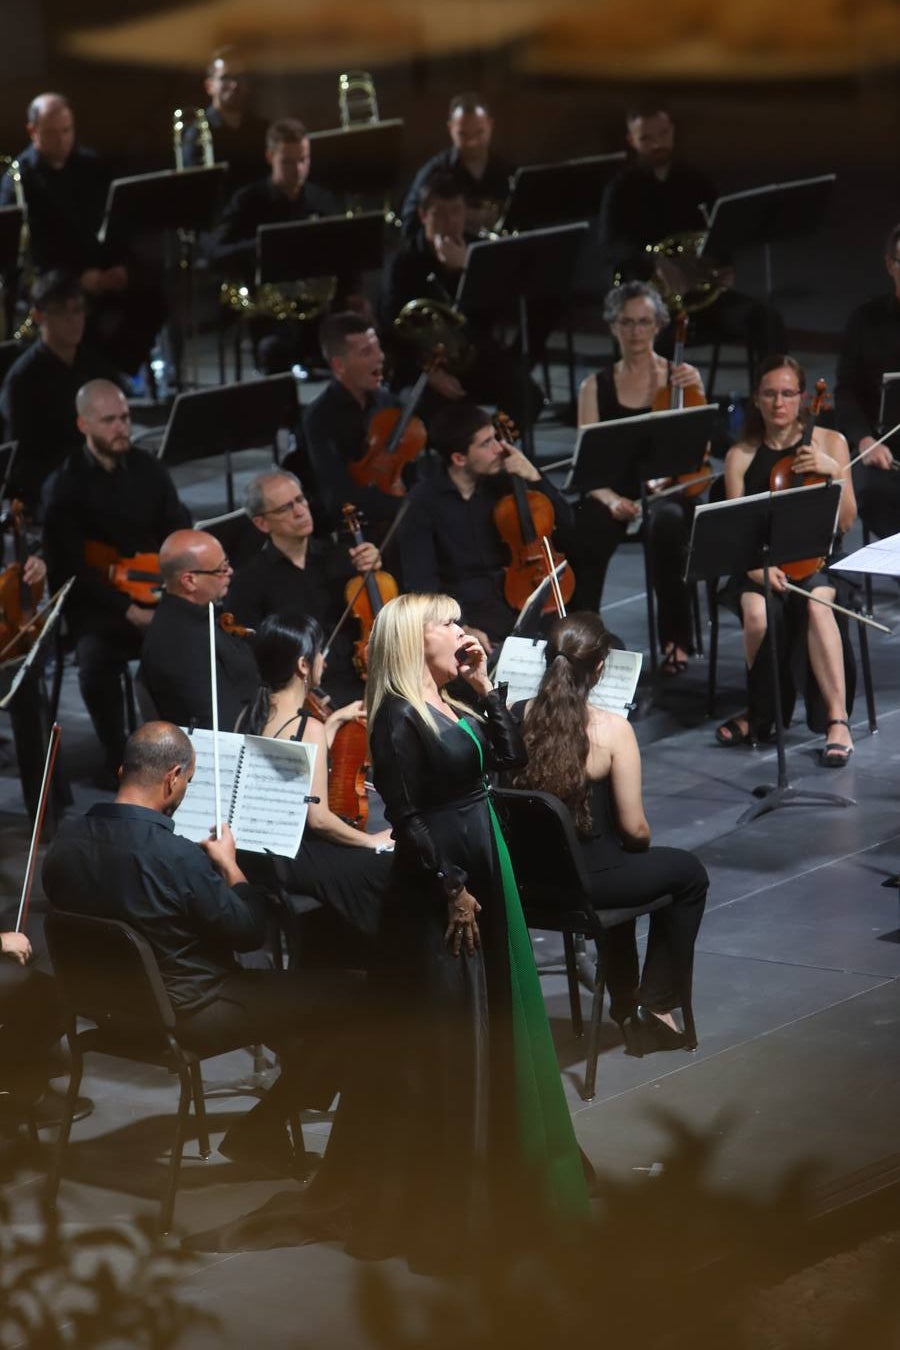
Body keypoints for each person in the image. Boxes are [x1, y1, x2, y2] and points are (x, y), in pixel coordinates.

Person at [319, 593, 588, 1266]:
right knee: (456, 1030)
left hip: (481, 858)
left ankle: (506, 1161)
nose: (460, 630)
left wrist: (482, 687)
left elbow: (508, 755)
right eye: (446, 622)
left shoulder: (450, 702)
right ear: (415, 641)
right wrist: (452, 888)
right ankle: (458, 1196)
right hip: (443, 881)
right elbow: (405, 817)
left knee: (492, 1005)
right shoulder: (396, 717)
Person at [42, 721, 363, 1170]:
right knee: (358, 995)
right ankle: (262, 1128)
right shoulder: (175, 857)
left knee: (298, 1018)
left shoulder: (64, 844)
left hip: (106, 1012)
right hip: (189, 1012)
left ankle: (279, 1109)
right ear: (174, 778)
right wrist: (230, 868)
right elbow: (249, 931)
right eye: (189, 782)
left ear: (122, 770)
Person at [512, 611, 707, 1052]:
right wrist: (638, 845)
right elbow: (635, 829)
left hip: (530, 885)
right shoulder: (612, 730)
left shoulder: (514, 717)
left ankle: (624, 1003)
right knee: (688, 873)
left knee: (621, 864)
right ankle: (655, 1003)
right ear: (599, 667)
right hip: (591, 886)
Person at [41, 380, 190, 779]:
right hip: (101, 605)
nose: (121, 427)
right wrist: (127, 610)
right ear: (83, 424)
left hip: (155, 591)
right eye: (109, 420)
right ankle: (119, 759)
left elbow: (178, 528)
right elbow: (69, 568)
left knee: (194, 636)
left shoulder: (148, 469)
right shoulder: (64, 486)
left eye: (124, 417)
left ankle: (183, 748)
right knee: (94, 661)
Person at [716, 355, 857, 765]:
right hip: (759, 561)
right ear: (756, 399)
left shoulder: (830, 443)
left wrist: (834, 472)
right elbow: (736, 530)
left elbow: (846, 521)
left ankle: (837, 720)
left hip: (820, 559)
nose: (780, 402)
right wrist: (755, 568)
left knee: (817, 604)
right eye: (770, 394)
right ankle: (766, 714)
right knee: (757, 610)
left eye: (788, 393)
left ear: (802, 397)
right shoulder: (740, 456)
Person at [240, 614, 392, 962]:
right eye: (320, 654)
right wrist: (373, 842)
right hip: (293, 858)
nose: (327, 660)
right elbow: (319, 820)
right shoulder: (305, 727)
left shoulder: (249, 714)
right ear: (303, 665)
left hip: (259, 852)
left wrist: (334, 721)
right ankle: (375, 962)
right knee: (386, 864)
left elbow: (292, 764)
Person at [571, 281, 704, 673]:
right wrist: (612, 500)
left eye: (644, 322)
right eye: (626, 322)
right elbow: (586, 467)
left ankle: (675, 639)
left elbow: (697, 451)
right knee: (585, 529)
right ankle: (583, 643)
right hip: (613, 491)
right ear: (613, 327)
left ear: (658, 326)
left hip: (667, 487)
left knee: (668, 525)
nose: (635, 332)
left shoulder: (680, 378)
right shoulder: (594, 386)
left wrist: (696, 390)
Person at [598, 103, 785, 365]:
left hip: (701, 299)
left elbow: (718, 235)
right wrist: (657, 262)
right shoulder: (620, 189)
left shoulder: (695, 182)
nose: (657, 144)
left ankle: (766, 401)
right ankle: (651, 405)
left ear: (673, 131)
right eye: (646, 138)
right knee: (648, 342)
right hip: (651, 306)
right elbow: (610, 247)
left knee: (766, 320)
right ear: (631, 141)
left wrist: (724, 266)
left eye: (663, 134)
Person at [0, 94, 165, 376]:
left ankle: (114, 374)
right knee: (73, 311)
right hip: (55, 278)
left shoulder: (90, 164)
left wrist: (118, 268)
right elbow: (29, 251)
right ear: (32, 131)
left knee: (152, 297)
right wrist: (79, 278)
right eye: (52, 133)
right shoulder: (19, 180)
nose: (62, 140)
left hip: (97, 266)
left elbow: (112, 221)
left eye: (67, 131)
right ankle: (87, 377)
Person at [399, 402, 574, 652]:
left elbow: (567, 524)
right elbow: (422, 584)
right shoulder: (422, 503)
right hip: (470, 616)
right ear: (459, 458)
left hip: (521, 603)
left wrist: (534, 476)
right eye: (487, 443)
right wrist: (461, 627)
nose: (500, 448)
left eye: (495, 438)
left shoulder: (505, 484)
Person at [381, 174, 544, 434]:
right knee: (435, 416)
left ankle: (496, 450)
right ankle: (461, 461)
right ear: (423, 216)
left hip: (472, 354)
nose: (450, 222)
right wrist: (430, 373)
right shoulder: (404, 263)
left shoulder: (477, 252)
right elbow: (390, 332)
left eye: (456, 212)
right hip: (421, 365)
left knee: (528, 396)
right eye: (440, 214)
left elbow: (495, 314)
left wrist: (465, 270)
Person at [226, 469, 380, 704]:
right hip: (308, 694)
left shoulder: (343, 558)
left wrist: (374, 569)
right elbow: (252, 654)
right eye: (284, 508)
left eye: (300, 500)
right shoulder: (248, 581)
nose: (299, 511)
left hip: (363, 677)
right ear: (261, 523)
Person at [212, 118, 350, 376]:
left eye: (303, 160)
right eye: (287, 161)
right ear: (269, 157)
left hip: (317, 311)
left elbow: (344, 254)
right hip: (269, 316)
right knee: (273, 351)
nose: (298, 169)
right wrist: (262, 246)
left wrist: (354, 293)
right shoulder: (248, 201)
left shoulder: (321, 199)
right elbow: (215, 253)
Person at [0, 271, 125, 512]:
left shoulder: (93, 365)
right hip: (54, 487)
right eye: (63, 312)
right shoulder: (22, 380)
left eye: (78, 310)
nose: (74, 320)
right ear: (39, 317)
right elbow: (20, 464)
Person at [288, 312, 402, 535]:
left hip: (398, 516)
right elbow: (336, 497)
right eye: (366, 352)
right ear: (339, 365)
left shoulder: (389, 402)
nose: (380, 357)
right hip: (352, 530)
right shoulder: (318, 419)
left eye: (378, 348)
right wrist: (403, 506)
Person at [139, 529, 259, 731]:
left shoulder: (193, 616)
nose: (230, 572)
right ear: (189, 581)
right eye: (221, 569)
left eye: (227, 563)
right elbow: (220, 722)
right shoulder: (181, 644)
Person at [834, 222, 900, 541]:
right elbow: (845, 390)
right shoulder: (864, 321)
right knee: (872, 494)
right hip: (881, 446)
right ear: (890, 265)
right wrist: (864, 440)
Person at [399, 92, 513, 238]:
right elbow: (409, 224)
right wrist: (459, 216)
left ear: (490, 125)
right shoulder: (433, 173)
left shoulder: (505, 169)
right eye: (463, 134)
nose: (472, 142)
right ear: (450, 129)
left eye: (479, 132)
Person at [180, 46, 269, 195]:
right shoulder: (197, 134)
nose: (234, 85)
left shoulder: (263, 129)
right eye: (226, 78)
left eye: (240, 77)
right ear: (209, 86)